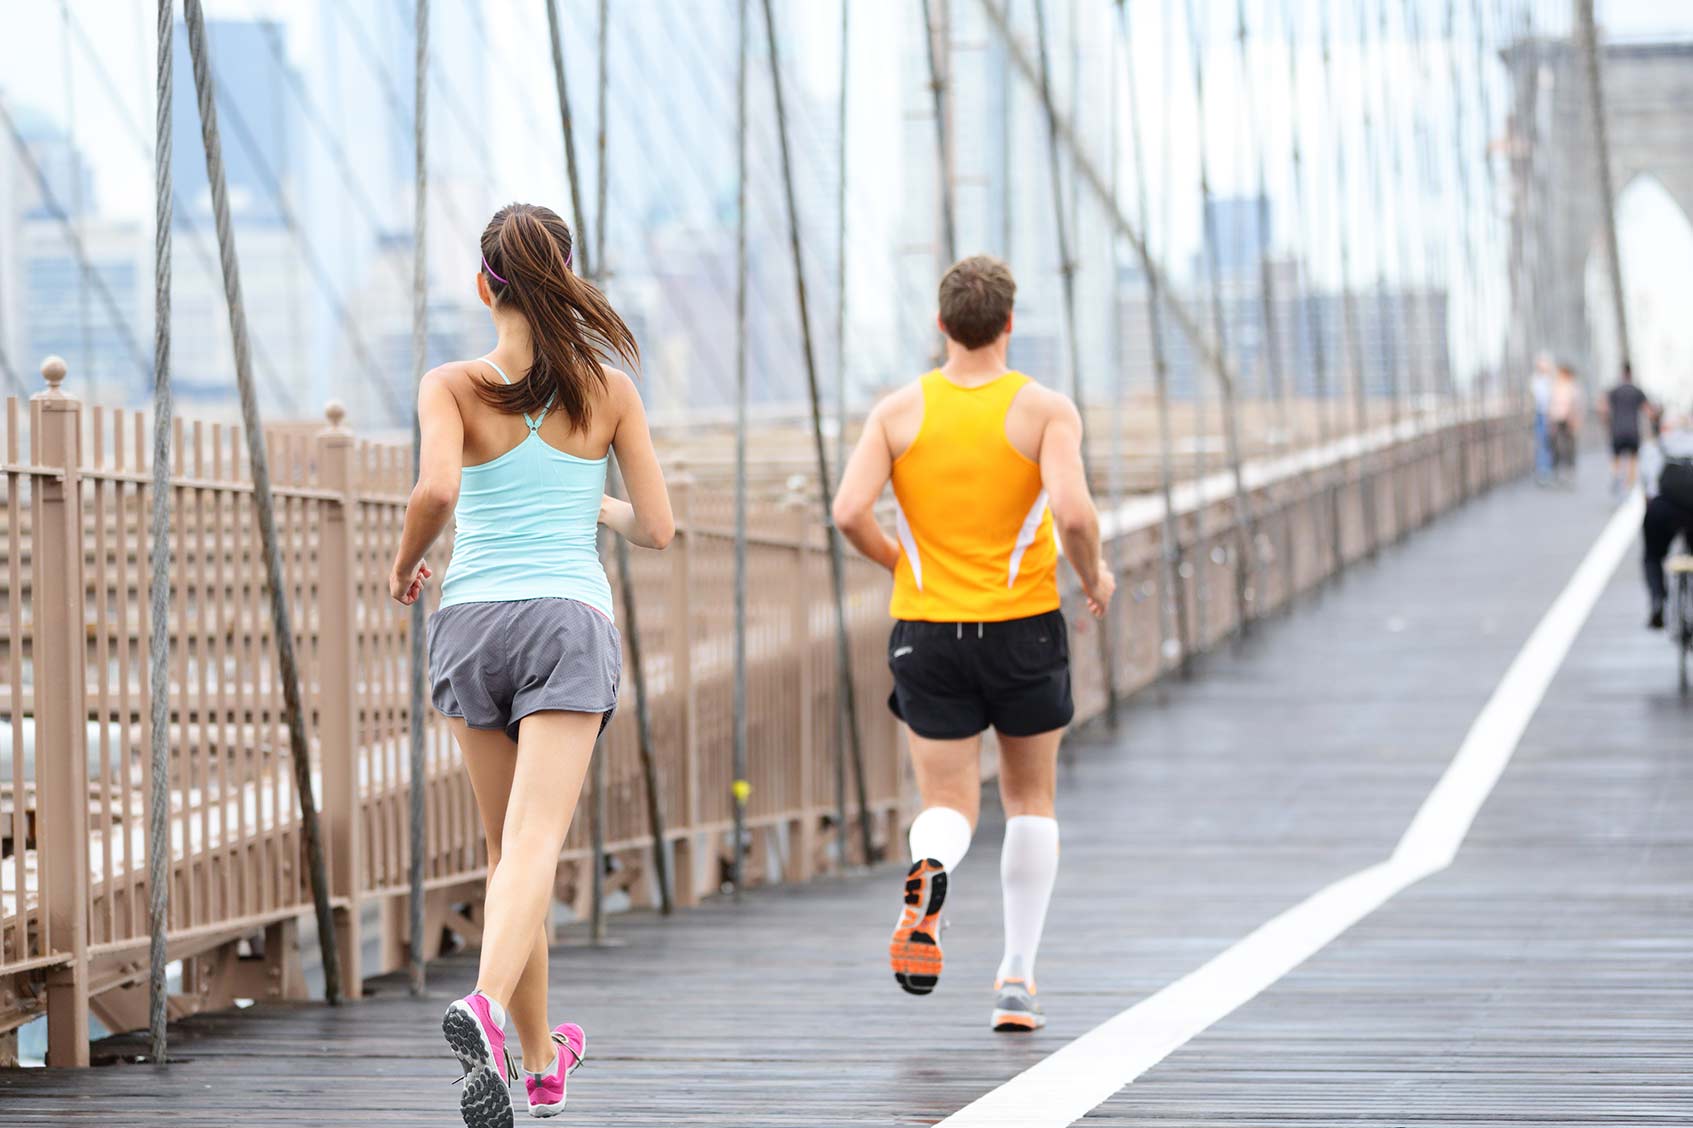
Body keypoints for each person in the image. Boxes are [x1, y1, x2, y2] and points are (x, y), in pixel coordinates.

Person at [389, 203, 673, 1128]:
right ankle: (483, 1007)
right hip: (565, 620)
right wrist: (596, 507)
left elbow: (436, 488)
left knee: (509, 852)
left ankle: (541, 1064)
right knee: (537, 847)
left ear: (484, 285)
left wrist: (404, 566)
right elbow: (660, 529)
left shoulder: (451, 384)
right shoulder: (609, 390)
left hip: (471, 618)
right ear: (565, 277)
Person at [830, 255, 1115, 1033]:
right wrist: (1093, 575)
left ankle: (931, 872)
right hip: (1022, 627)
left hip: (927, 633)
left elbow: (849, 510)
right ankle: (1016, 981)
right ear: (1009, 323)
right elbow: (1076, 514)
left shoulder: (896, 412)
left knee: (948, 801)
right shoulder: (1044, 410)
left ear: (941, 324)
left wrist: (902, 562)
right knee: (1030, 799)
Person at [1638, 410, 1693, 629]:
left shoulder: (1655, 447)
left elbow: (1649, 491)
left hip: (1664, 508)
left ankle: (1657, 600)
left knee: (1652, 556)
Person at [1599, 362, 1650, 496]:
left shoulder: (1614, 390)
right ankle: (1629, 487)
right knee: (1633, 459)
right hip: (1633, 430)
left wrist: (1607, 421)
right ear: (1631, 373)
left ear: (1622, 373)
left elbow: (1603, 408)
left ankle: (1616, 476)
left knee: (1616, 457)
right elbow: (1648, 410)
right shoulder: (1637, 391)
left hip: (1617, 429)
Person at [1547, 362, 1583, 486]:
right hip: (1557, 419)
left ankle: (1569, 473)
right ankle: (1556, 473)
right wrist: (1550, 420)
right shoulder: (1555, 386)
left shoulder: (1573, 386)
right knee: (1556, 446)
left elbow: (1578, 404)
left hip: (1569, 420)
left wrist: (1576, 419)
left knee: (1569, 447)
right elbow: (1551, 404)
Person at [1530, 354, 1554, 484]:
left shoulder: (1548, 380)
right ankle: (1544, 472)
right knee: (1542, 444)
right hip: (1542, 414)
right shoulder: (1538, 380)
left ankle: (1547, 470)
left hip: (1546, 414)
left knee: (1547, 444)